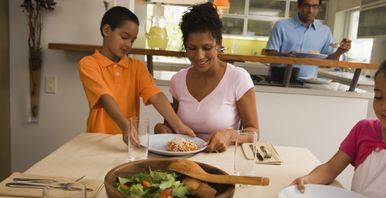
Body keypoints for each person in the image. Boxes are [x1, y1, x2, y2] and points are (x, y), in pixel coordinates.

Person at [291, 54, 386, 198]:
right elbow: (331, 168)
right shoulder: (364, 129)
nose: (384, 106)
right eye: (378, 97)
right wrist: (309, 179)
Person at [78, 6, 195, 144]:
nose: (128, 45)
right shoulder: (89, 64)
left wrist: (178, 125)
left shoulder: (137, 67)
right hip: (97, 139)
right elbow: (104, 97)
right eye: (124, 37)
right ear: (107, 30)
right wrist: (125, 125)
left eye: (132, 40)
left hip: (129, 140)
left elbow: (155, 95)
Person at [154, 2, 259, 153]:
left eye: (207, 47)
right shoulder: (178, 80)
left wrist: (230, 135)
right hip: (184, 161)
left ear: (218, 43)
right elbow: (172, 126)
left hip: (222, 159)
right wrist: (162, 128)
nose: (199, 56)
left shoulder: (238, 78)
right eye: (192, 48)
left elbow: (254, 132)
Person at [263, 0, 351, 78]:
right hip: (278, 80)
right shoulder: (281, 26)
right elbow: (269, 53)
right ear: (299, 5)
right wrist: (286, 56)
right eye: (306, 5)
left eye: (315, 7)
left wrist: (339, 51)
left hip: (309, 83)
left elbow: (328, 64)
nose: (310, 10)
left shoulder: (325, 31)